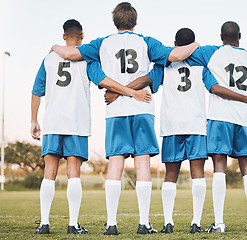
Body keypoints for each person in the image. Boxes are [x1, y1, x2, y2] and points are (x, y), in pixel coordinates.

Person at [50, 2, 200, 235]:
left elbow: (70, 53)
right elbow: (176, 54)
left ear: (115, 22)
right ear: (135, 21)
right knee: (142, 164)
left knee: (115, 164)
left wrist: (55, 46)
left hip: (116, 111)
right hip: (142, 108)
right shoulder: (145, 41)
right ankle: (144, 223)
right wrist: (196, 44)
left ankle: (111, 224)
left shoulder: (102, 43)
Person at [106, 28, 247, 234]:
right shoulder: (202, 65)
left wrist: (116, 91)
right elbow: (214, 87)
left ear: (174, 43)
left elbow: (147, 80)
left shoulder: (164, 64)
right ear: (193, 43)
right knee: (198, 174)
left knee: (171, 175)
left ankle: (168, 223)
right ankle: (196, 223)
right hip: (196, 125)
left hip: (171, 125)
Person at [31, 19, 151, 235]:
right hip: (76, 122)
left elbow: (36, 91)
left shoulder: (48, 59)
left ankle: (44, 224)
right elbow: (104, 80)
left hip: (52, 122)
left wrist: (34, 120)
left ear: (63, 35)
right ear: (82, 36)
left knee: (49, 172)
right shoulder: (86, 60)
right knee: (73, 173)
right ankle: (73, 224)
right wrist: (128, 92)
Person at [186, 21, 247, 233]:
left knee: (219, 167)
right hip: (243, 121)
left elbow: (212, 86)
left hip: (219, 118)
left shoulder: (212, 53)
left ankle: (219, 223)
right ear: (240, 35)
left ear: (221, 36)